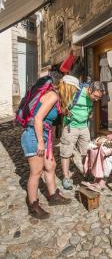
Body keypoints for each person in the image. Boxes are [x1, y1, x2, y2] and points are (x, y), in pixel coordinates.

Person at [21, 72, 71, 220]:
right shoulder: (53, 96)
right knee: (36, 171)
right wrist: (41, 142)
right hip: (34, 135)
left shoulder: (53, 96)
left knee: (50, 166)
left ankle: (53, 196)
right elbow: (38, 118)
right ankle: (33, 205)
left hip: (43, 134)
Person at [60, 81, 105, 190]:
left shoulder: (92, 98)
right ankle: (66, 178)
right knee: (66, 152)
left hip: (84, 127)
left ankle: (87, 173)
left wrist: (89, 114)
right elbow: (62, 106)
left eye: (99, 97)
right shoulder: (76, 92)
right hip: (71, 127)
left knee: (87, 152)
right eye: (95, 96)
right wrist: (66, 112)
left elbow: (89, 110)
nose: (97, 99)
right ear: (89, 90)